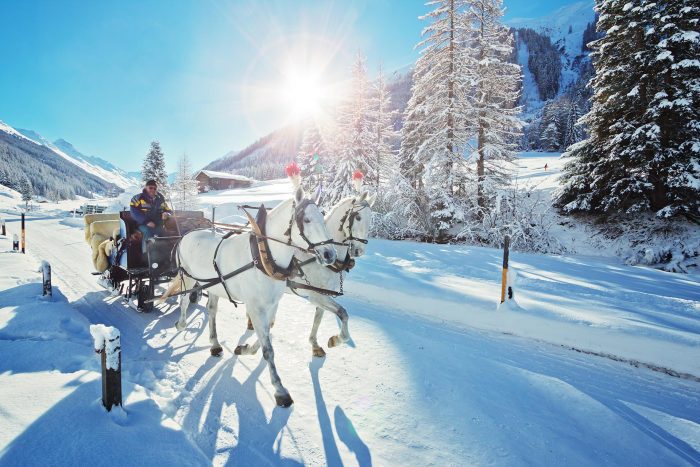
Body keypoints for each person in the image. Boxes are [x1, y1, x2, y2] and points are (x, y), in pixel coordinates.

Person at [130, 180, 172, 253]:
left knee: (165, 233)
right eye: (150, 188)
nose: (153, 190)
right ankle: (147, 255)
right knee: (148, 231)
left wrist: (167, 214)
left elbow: (168, 210)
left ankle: (166, 255)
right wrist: (146, 222)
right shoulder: (138, 198)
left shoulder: (161, 199)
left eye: (155, 188)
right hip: (142, 224)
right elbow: (134, 213)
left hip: (158, 224)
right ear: (146, 187)